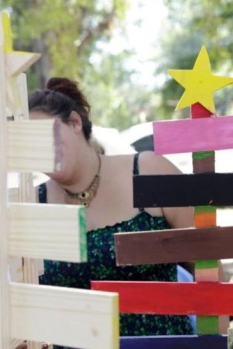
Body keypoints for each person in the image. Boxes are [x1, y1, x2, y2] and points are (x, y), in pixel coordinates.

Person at [30, 77, 194, 337]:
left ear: (74, 122)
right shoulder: (31, 204)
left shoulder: (149, 171)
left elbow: (207, 266)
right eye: (27, 145)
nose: (39, 151)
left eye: (43, 137)